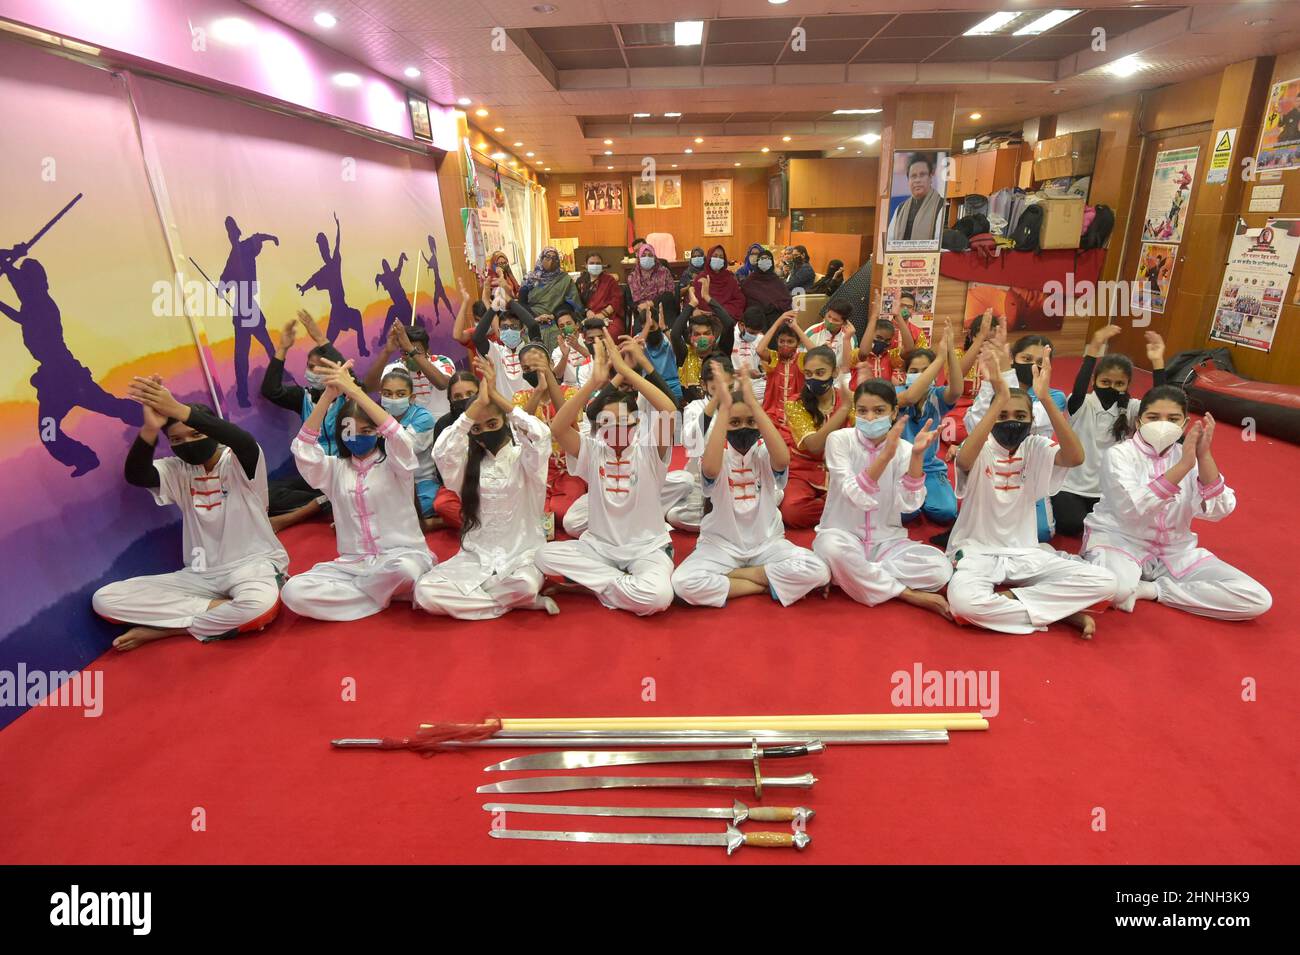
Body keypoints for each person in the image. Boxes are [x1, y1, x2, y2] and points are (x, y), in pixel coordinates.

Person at [92, 377, 286, 651]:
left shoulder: (239, 460)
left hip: (252, 566)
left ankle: (168, 630)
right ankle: (220, 612)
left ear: (212, 432)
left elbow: (242, 440)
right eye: (176, 439)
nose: (187, 443)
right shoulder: (177, 469)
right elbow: (136, 474)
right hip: (199, 575)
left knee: (259, 605)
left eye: (196, 434)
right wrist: (150, 428)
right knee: (105, 599)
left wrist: (178, 409)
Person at [945, 348, 1116, 637]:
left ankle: (1017, 603)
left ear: (1031, 420)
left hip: (1026, 552)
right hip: (978, 552)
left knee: (1107, 583)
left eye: (1020, 415)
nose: (1011, 420)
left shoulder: (1035, 446)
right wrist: (998, 400)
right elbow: (963, 461)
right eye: (1003, 414)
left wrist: (1046, 399)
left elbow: (1075, 457)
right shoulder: (981, 446)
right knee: (964, 606)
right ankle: (1063, 613)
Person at [1081, 387, 1270, 620]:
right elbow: (1132, 508)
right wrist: (1182, 467)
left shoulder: (1190, 455)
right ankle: (1071, 561)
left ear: (1185, 423)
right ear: (1139, 421)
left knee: (1256, 598)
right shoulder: (1120, 455)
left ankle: (1153, 589)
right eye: (1153, 417)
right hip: (1122, 541)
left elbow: (1220, 509)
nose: (1163, 424)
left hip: (1175, 550)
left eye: (1172, 419)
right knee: (1116, 592)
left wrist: (1204, 456)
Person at [280, 359, 434, 621]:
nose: (357, 436)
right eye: (349, 430)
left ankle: (365, 593)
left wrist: (354, 391)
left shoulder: (396, 464)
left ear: (377, 432)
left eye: (366, 430)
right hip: (353, 566)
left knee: (405, 572)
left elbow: (399, 437)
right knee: (293, 592)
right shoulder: (333, 469)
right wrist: (328, 396)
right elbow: (303, 450)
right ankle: (382, 594)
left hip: (400, 557)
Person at [535, 336, 678, 615]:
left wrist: (626, 373)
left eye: (625, 422)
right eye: (607, 423)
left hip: (645, 549)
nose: (616, 429)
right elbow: (560, 429)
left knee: (658, 598)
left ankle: (594, 585)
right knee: (543, 555)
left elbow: (669, 411)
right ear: (599, 427)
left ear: (637, 424)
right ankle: (621, 585)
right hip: (599, 548)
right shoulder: (594, 450)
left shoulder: (649, 450)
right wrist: (593, 383)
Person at [414, 358, 561, 619]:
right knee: (425, 592)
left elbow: (541, 435)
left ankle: (494, 596)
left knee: (524, 584)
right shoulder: (465, 467)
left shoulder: (524, 458)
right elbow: (442, 452)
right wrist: (476, 408)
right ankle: (508, 601)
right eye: (478, 429)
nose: (485, 432)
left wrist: (496, 399)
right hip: (476, 558)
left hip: (521, 557)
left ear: (504, 422)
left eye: (492, 424)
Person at [673, 373, 831, 607]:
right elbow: (709, 466)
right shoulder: (719, 456)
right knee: (683, 583)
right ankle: (767, 583)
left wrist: (756, 408)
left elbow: (783, 459)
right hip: (720, 546)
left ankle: (734, 579)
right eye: (734, 423)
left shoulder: (764, 454)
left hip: (767, 544)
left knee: (819, 571)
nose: (743, 428)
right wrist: (724, 409)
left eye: (750, 422)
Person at [813, 379, 951, 616]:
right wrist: (885, 456)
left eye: (879, 411)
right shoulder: (839, 440)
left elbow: (910, 503)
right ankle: (906, 594)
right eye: (863, 411)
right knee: (832, 549)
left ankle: (851, 575)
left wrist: (917, 457)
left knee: (940, 569)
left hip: (887, 542)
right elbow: (853, 494)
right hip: (843, 535)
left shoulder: (906, 449)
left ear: (894, 412)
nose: (869, 418)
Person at [1052, 326, 1166, 536]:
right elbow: (1079, 386)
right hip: (1072, 486)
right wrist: (1093, 349)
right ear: (1094, 381)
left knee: (1123, 526)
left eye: (1119, 383)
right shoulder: (1081, 403)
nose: (1111, 387)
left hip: (1109, 491)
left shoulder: (1131, 408)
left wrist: (1157, 363)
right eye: (1105, 382)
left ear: (1127, 384)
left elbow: (1161, 405)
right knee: (1070, 525)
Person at [964, 328, 1069, 540]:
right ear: (1013, 358)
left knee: (1041, 533)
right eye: (1026, 358)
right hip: (992, 469)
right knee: (977, 526)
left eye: (1040, 361)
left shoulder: (1055, 397)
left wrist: (1005, 376)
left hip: (1030, 473)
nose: (1032, 365)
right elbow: (973, 424)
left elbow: (1028, 417)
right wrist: (991, 380)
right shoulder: (996, 383)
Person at [260, 310, 347, 531]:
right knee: (266, 494)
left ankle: (311, 509)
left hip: (343, 472)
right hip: (315, 477)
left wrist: (321, 339)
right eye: (310, 366)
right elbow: (271, 390)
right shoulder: (304, 397)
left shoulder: (348, 396)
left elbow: (352, 377)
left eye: (320, 367)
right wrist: (282, 349)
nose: (313, 371)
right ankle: (324, 504)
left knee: (346, 490)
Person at [896, 319, 962, 525]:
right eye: (914, 371)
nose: (920, 375)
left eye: (926, 370)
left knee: (945, 513)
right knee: (904, 515)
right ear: (905, 374)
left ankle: (930, 492)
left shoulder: (937, 396)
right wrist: (939, 358)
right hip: (900, 468)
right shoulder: (896, 394)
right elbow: (911, 397)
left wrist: (949, 352)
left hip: (930, 467)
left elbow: (957, 390)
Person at [781, 345, 854, 529]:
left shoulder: (847, 398)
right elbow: (814, 445)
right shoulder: (795, 404)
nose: (813, 379)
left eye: (820, 373)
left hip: (841, 470)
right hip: (804, 471)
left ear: (835, 373)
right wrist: (844, 409)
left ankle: (836, 506)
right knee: (792, 512)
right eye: (808, 374)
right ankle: (838, 509)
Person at [515, 342, 586, 529]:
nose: (532, 370)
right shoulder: (521, 397)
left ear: (549, 364)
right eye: (526, 368)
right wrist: (538, 390)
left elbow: (568, 418)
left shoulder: (570, 392)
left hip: (568, 470)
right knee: (537, 516)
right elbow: (522, 429)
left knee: (563, 513)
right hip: (537, 472)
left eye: (537, 365)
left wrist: (548, 376)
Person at [667, 355, 733, 533]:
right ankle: (730, 521)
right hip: (701, 483)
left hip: (734, 481)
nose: (722, 391)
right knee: (675, 516)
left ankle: (729, 519)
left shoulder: (739, 406)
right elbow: (690, 442)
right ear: (703, 385)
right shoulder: (694, 407)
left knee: (776, 495)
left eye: (727, 386)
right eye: (716, 386)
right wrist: (715, 402)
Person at [218, 215, 279, 407]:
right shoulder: (232, 259)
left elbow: (259, 237)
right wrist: (220, 288)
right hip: (242, 309)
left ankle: (279, 372)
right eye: (230, 232)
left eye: (233, 231)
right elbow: (223, 288)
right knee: (242, 355)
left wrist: (272, 238)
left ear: (238, 232)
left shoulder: (245, 248)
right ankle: (242, 395)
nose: (232, 235)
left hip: (248, 306)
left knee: (267, 344)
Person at [296, 212, 368, 356]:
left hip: (342, 308)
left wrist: (338, 226)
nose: (323, 252)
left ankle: (361, 348)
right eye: (321, 249)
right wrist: (303, 287)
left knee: (357, 317)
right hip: (337, 311)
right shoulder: (324, 271)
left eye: (324, 247)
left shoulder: (335, 261)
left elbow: (337, 242)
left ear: (327, 249)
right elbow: (312, 280)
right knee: (327, 342)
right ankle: (321, 362)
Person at [377, 366, 438, 521]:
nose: (393, 398)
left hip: (421, 482)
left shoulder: (423, 418)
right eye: (388, 394)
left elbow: (403, 449)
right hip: (390, 481)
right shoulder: (375, 416)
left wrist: (380, 435)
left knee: (429, 504)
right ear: (381, 396)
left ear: (412, 398)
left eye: (400, 394)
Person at [362, 321, 454, 420]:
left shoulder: (442, 361)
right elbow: (368, 388)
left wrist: (410, 348)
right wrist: (387, 351)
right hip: (411, 428)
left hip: (442, 426)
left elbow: (442, 384)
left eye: (416, 350)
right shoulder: (396, 367)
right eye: (405, 352)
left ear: (428, 351)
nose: (411, 356)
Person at [428, 371, 482, 531]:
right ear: (450, 400)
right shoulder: (443, 424)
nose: (464, 399)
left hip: (492, 480)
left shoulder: (492, 418)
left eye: (470, 394)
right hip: (458, 485)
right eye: (457, 396)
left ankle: (475, 525)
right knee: (442, 505)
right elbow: (442, 470)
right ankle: (480, 528)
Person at [519, 247, 582, 349]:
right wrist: (535, 318)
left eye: (554, 258)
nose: (551, 261)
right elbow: (521, 303)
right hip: (532, 318)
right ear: (541, 258)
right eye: (547, 257)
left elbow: (571, 303)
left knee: (559, 339)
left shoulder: (564, 279)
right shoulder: (530, 278)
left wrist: (554, 315)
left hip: (556, 320)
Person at [887, 152, 945, 246]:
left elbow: (941, 243)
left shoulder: (941, 206)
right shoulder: (900, 209)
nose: (917, 180)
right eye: (913, 176)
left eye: (922, 175)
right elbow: (889, 241)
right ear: (908, 180)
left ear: (930, 177)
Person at [627, 241, 678, 327]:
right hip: (643, 313)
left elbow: (670, 295)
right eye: (643, 255)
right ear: (639, 258)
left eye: (650, 255)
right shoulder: (633, 277)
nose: (647, 258)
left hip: (664, 310)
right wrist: (645, 308)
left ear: (654, 257)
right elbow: (634, 303)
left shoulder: (664, 272)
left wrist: (650, 303)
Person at [739, 246, 793, 326]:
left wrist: (774, 305)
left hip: (775, 315)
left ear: (771, 262)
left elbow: (786, 299)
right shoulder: (751, 280)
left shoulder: (776, 280)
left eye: (767, 259)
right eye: (762, 259)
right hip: (757, 315)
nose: (764, 261)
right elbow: (748, 297)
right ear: (758, 261)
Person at [577, 252, 625, 339]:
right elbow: (578, 301)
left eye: (598, 263)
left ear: (602, 265)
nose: (595, 265)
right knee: (581, 335)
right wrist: (587, 311)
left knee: (611, 334)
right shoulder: (581, 282)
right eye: (591, 263)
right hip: (588, 317)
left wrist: (603, 314)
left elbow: (617, 300)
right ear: (586, 265)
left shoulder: (610, 280)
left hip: (609, 317)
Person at [693, 244, 746, 323]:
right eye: (715, 256)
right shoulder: (700, 279)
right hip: (704, 322)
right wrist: (695, 311)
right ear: (709, 258)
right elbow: (691, 301)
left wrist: (721, 312)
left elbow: (739, 300)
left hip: (725, 320)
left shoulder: (730, 278)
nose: (718, 259)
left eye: (721, 257)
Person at [732, 306, 768, 405]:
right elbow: (723, 368)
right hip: (732, 382)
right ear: (742, 325)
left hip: (754, 384)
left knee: (773, 389)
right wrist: (745, 373)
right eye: (752, 333)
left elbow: (763, 365)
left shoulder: (760, 338)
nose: (754, 336)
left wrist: (765, 374)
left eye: (756, 333)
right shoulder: (728, 336)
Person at [551, 310, 593, 387]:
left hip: (591, 383)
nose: (566, 327)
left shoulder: (588, 339)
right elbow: (558, 375)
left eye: (568, 324)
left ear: (577, 325)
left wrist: (577, 346)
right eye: (561, 326)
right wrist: (565, 356)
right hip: (571, 388)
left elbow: (597, 360)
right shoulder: (558, 350)